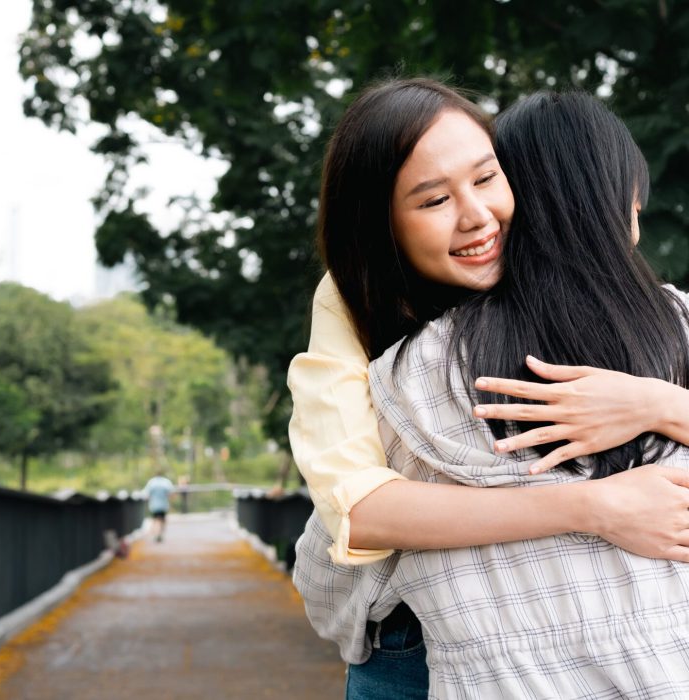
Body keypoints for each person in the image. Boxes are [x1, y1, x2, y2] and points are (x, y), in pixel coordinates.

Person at [288, 78, 689, 699]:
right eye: (431, 201)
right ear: (381, 226)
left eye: (486, 178)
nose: (477, 216)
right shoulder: (355, 308)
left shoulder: (612, 315)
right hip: (407, 641)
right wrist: (595, 506)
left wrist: (654, 403)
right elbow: (358, 509)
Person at [143, 470, 174, 542]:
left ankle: (157, 534)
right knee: (162, 520)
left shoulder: (151, 482)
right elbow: (171, 494)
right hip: (163, 505)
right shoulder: (166, 482)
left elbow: (146, 494)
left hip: (154, 505)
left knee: (156, 520)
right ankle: (160, 534)